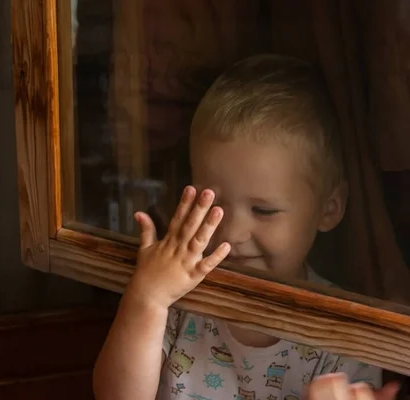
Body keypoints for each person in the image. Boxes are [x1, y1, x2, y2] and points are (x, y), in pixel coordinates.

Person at [92, 54, 391, 400]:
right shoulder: (179, 296)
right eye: (213, 204)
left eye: (264, 210)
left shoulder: (344, 333)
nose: (232, 233)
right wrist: (148, 298)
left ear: (329, 209)